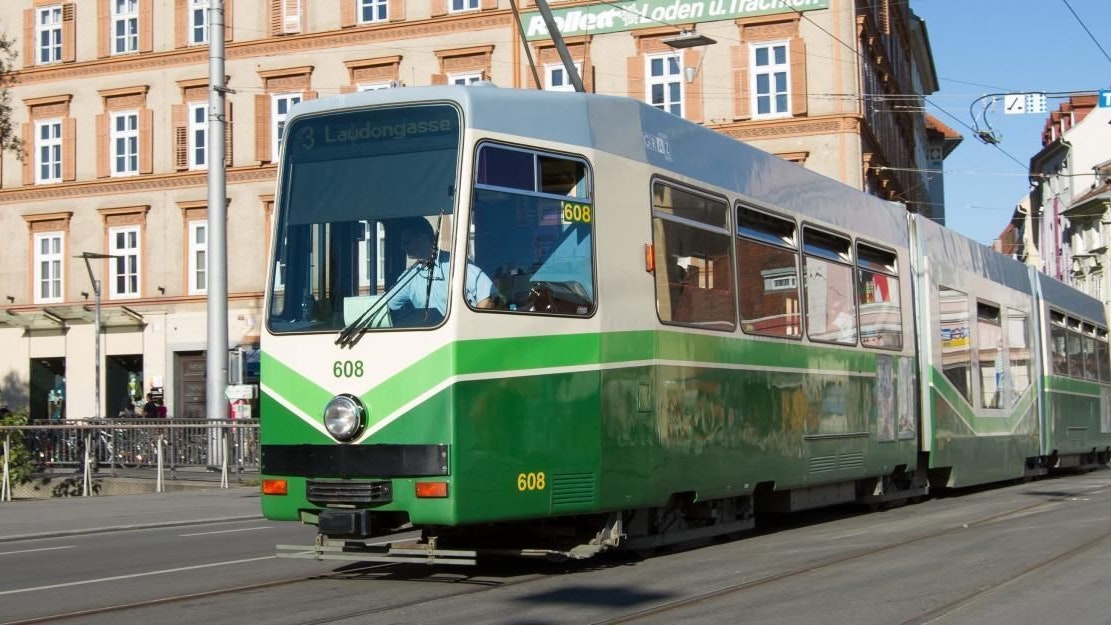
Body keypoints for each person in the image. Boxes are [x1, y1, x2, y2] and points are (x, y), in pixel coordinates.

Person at [387, 217, 497, 321]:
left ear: (424, 239)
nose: (403, 247)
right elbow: (387, 305)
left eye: (408, 242)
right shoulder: (409, 276)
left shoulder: (457, 263)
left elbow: (487, 298)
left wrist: (472, 328)